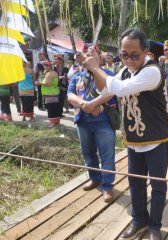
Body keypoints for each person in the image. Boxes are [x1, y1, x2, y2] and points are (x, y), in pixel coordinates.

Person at [83, 28, 168, 240]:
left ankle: (155, 226)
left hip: (156, 139)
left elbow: (120, 89)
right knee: (135, 184)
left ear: (146, 52)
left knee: (157, 185)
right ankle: (139, 220)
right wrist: (92, 103)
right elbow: (109, 90)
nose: (129, 60)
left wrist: (97, 67)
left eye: (134, 55)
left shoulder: (152, 71)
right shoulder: (124, 71)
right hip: (133, 140)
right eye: (124, 55)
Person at [67, 47, 117, 204]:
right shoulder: (77, 76)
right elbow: (70, 95)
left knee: (107, 155)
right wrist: (84, 104)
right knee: (87, 152)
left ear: (99, 57)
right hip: (83, 120)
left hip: (104, 122)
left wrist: (95, 104)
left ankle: (107, 185)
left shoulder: (107, 74)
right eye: (86, 54)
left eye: (92, 53)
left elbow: (110, 92)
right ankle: (94, 178)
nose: (88, 56)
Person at [35, 60, 62, 127]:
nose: (44, 67)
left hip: (51, 93)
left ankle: (53, 123)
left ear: (49, 66)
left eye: (45, 66)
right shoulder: (50, 72)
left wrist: (40, 83)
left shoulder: (50, 73)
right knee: (54, 108)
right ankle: (56, 122)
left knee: (51, 108)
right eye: (44, 66)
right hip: (52, 93)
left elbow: (48, 83)